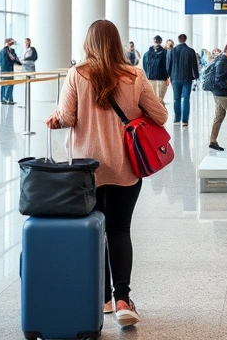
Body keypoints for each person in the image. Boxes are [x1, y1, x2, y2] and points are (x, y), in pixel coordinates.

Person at [45, 19, 168, 329]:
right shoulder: (134, 75)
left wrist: (56, 120)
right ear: (116, 44)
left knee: (95, 231)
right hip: (126, 167)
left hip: (85, 172)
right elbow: (161, 115)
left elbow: (67, 116)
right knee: (119, 229)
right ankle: (124, 298)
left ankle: (103, 299)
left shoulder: (77, 74)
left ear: (88, 43)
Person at [166, 34, 199, 126]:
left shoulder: (171, 51)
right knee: (186, 99)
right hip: (187, 78)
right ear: (185, 39)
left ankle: (177, 119)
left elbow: (168, 65)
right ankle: (185, 120)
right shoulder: (190, 51)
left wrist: (167, 76)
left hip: (175, 78)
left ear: (178, 40)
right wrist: (196, 76)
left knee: (176, 99)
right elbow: (194, 65)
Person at [142, 35, 170, 102]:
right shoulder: (166, 53)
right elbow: (168, 65)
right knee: (160, 99)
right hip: (162, 78)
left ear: (153, 41)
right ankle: (160, 111)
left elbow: (144, 66)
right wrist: (168, 76)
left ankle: (154, 111)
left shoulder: (147, 54)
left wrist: (147, 74)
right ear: (161, 41)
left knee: (153, 99)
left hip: (150, 77)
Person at [0, 38, 21, 105]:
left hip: (10, 70)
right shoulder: (4, 51)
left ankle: (9, 99)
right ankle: (4, 99)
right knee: (5, 84)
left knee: (10, 84)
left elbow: (15, 58)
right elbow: (2, 60)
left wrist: (18, 62)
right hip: (5, 70)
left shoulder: (12, 51)